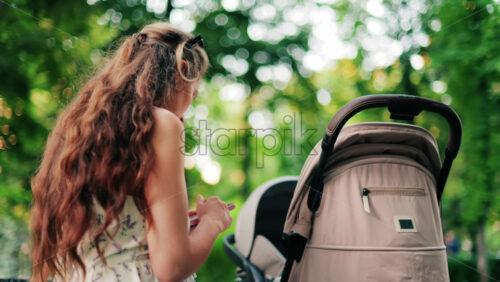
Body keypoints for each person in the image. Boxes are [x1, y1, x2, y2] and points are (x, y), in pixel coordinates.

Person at [29, 22, 233, 282]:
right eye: (194, 93)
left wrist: (173, 224)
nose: (188, 110)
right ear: (183, 70)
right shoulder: (162, 123)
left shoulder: (79, 130)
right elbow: (172, 267)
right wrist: (213, 222)